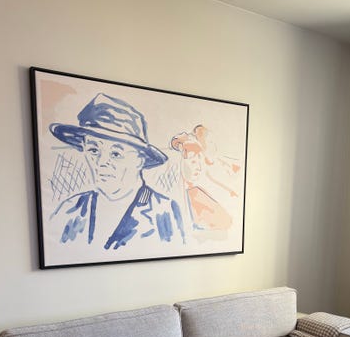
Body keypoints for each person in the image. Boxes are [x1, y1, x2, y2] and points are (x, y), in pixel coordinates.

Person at [50, 94, 185, 250]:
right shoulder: (69, 210)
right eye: (93, 150)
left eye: (115, 154)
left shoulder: (164, 212)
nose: (101, 162)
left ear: (140, 160)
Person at [171, 125, 241, 232]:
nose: (198, 167)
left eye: (200, 161)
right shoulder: (180, 194)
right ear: (182, 162)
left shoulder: (201, 192)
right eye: (193, 161)